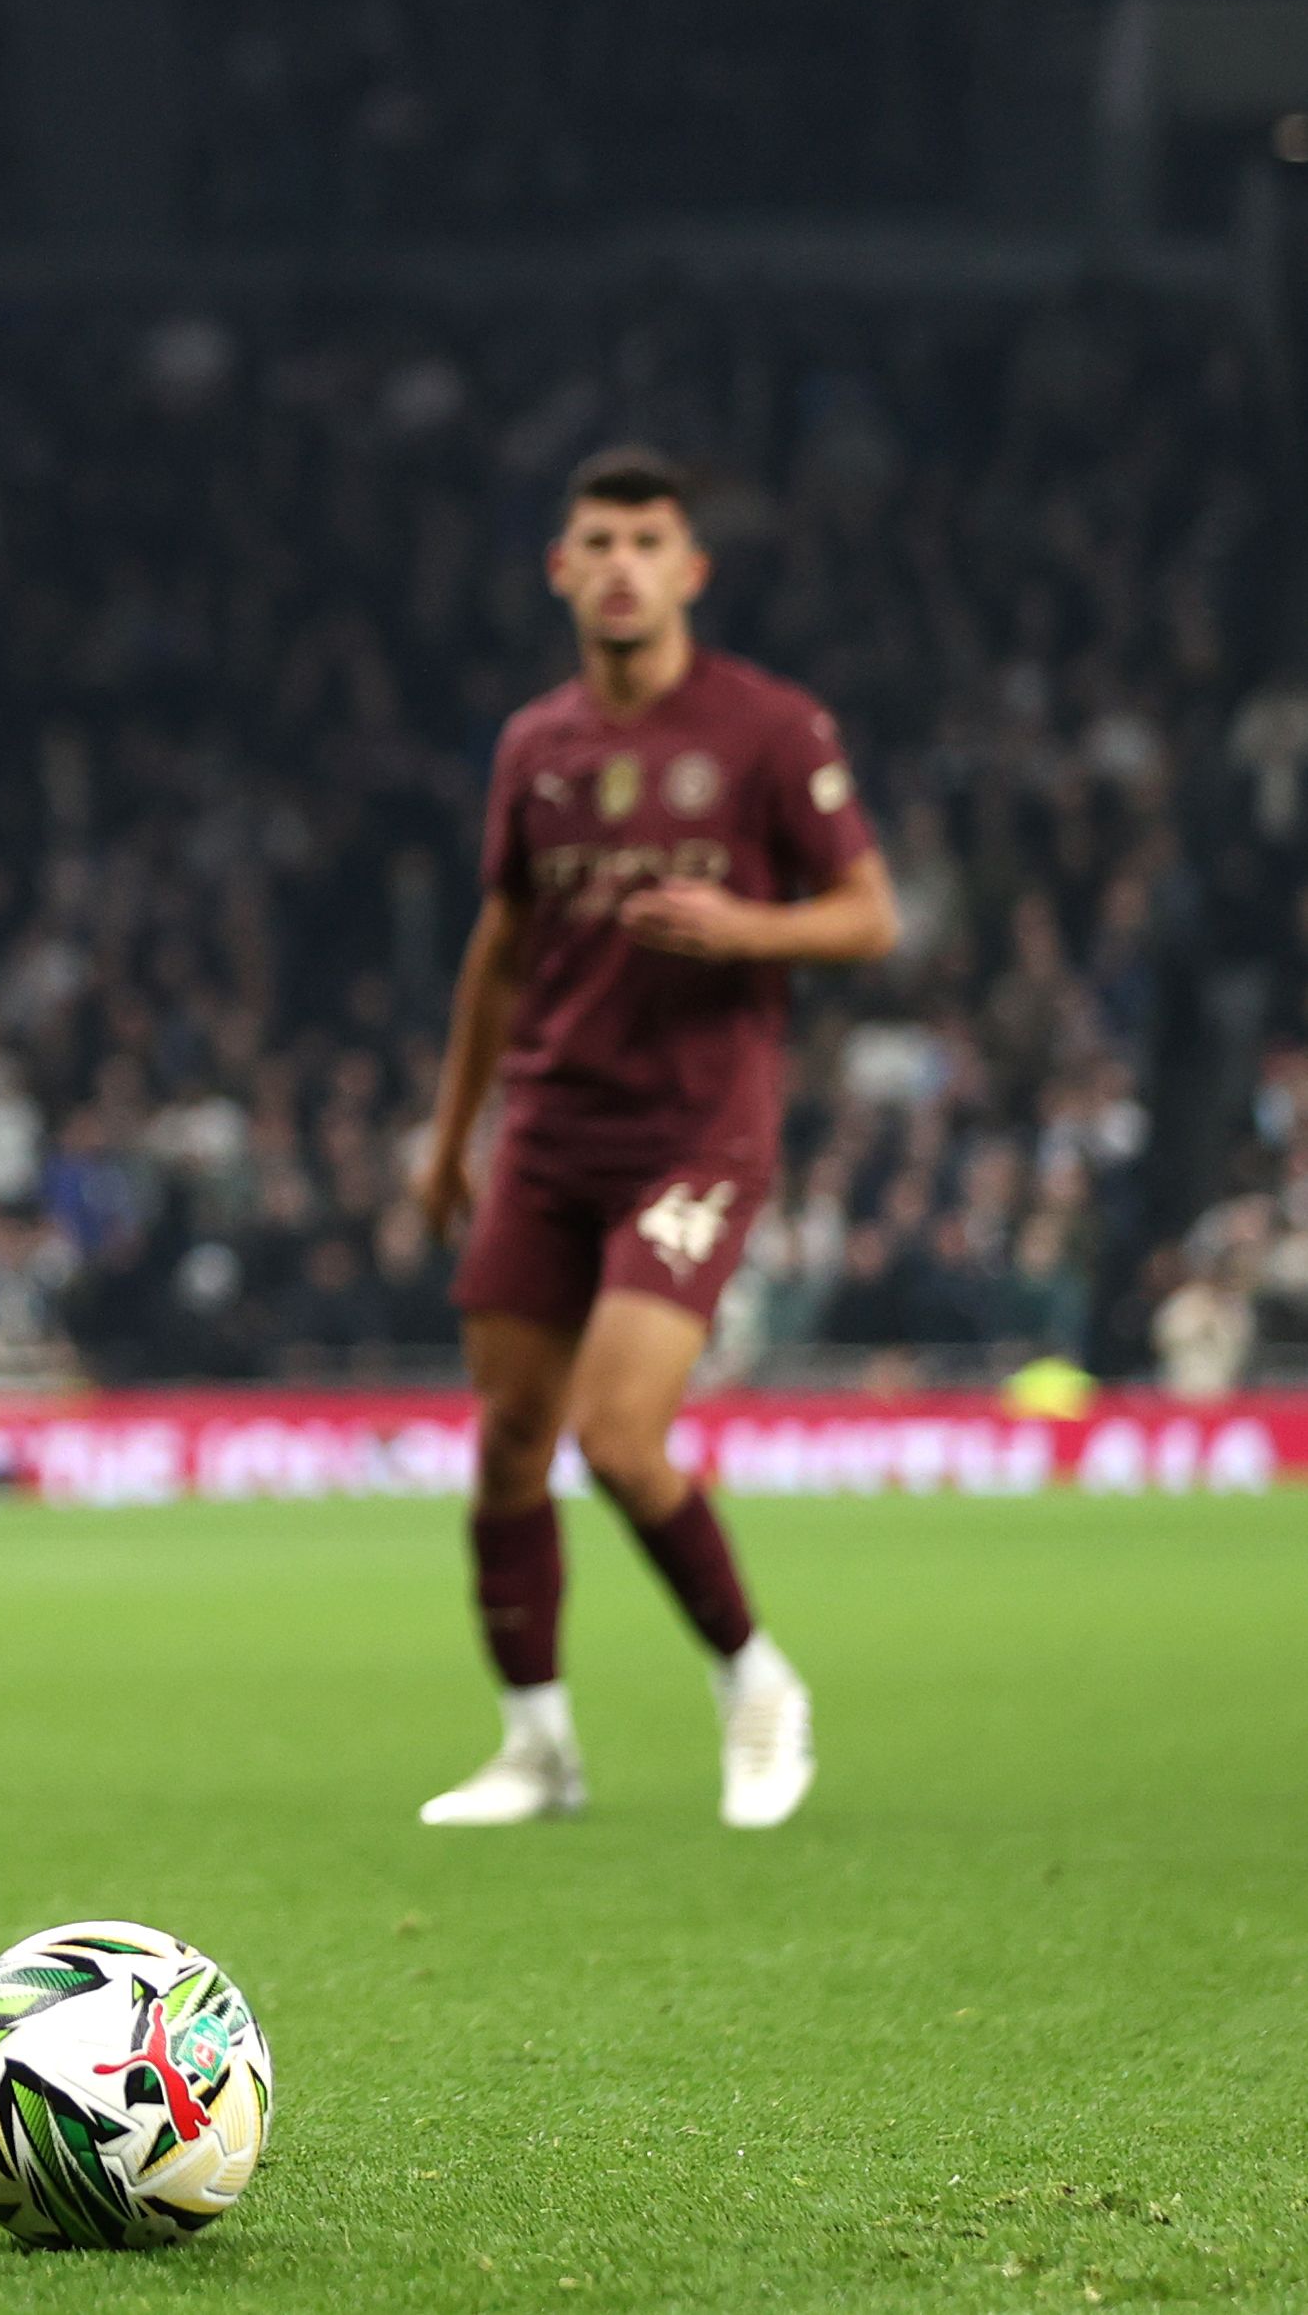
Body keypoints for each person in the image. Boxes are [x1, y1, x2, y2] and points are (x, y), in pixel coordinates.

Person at [409, 447, 897, 1832]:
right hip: (551, 1130)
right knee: (508, 1442)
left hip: (695, 1130)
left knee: (619, 1436)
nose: (622, 564)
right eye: (598, 541)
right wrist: (451, 1138)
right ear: (562, 570)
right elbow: (499, 949)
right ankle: (536, 1747)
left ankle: (755, 1682)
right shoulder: (535, 745)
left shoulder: (768, 728)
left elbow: (871, 915)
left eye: (648, 541)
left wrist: (751, 928)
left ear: (692, 570)